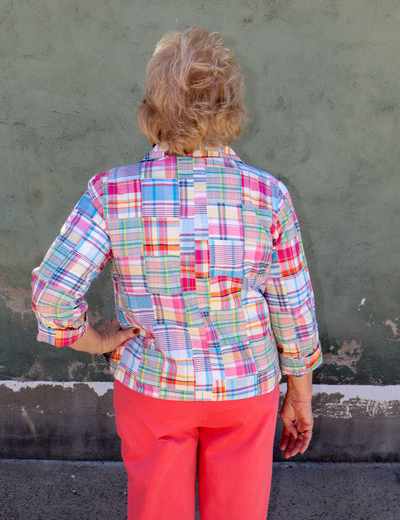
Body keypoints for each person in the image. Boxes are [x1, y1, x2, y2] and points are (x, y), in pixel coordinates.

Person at [32, 26, 322, 520]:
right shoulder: (267, 196)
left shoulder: (111, 193)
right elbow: (293, 308)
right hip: (244, 390)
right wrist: (299, 394)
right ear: (230, 109)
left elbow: (51, 296)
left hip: (153, 389)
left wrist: (99, 341)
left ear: (151, 110)